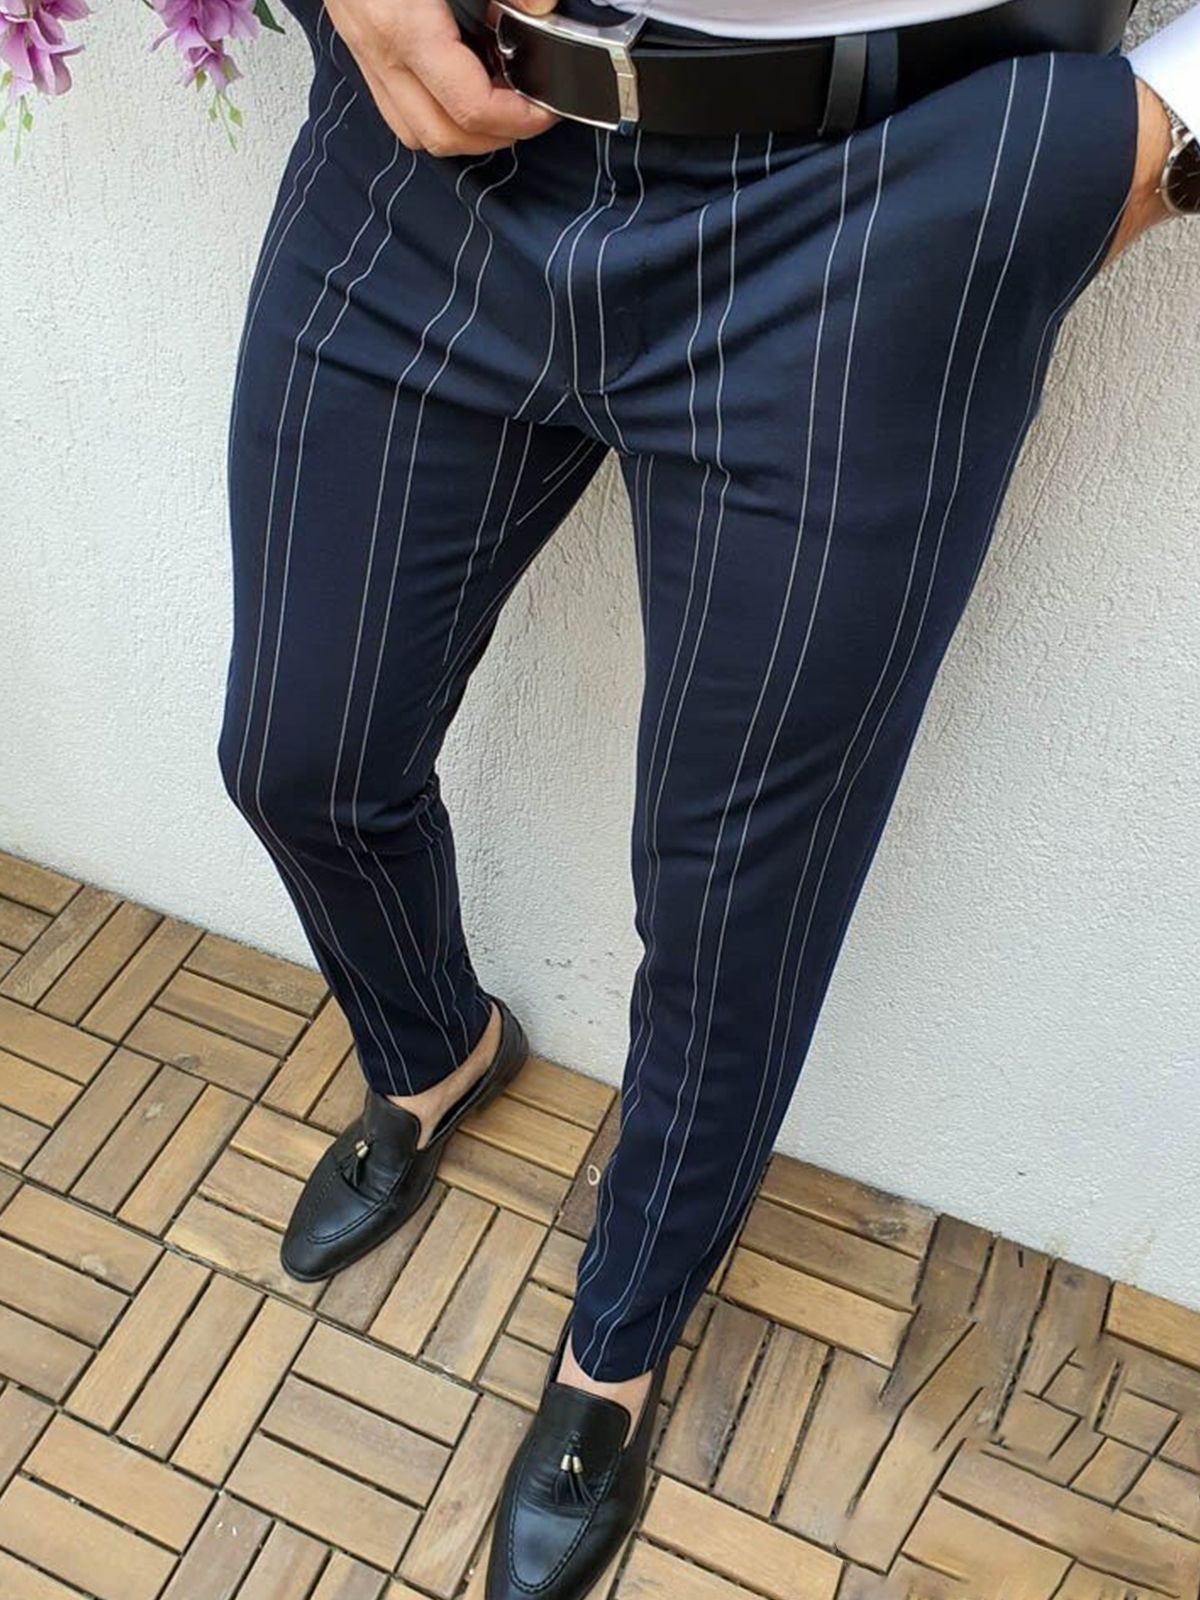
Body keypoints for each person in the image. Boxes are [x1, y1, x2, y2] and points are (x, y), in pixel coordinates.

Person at [217, 0, 1198, 1594]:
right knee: (298, 755)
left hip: (891, 184)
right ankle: (435, 1048)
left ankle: (619, 1339)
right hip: (447, 135)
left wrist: (1163, 128)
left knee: (737, 908)